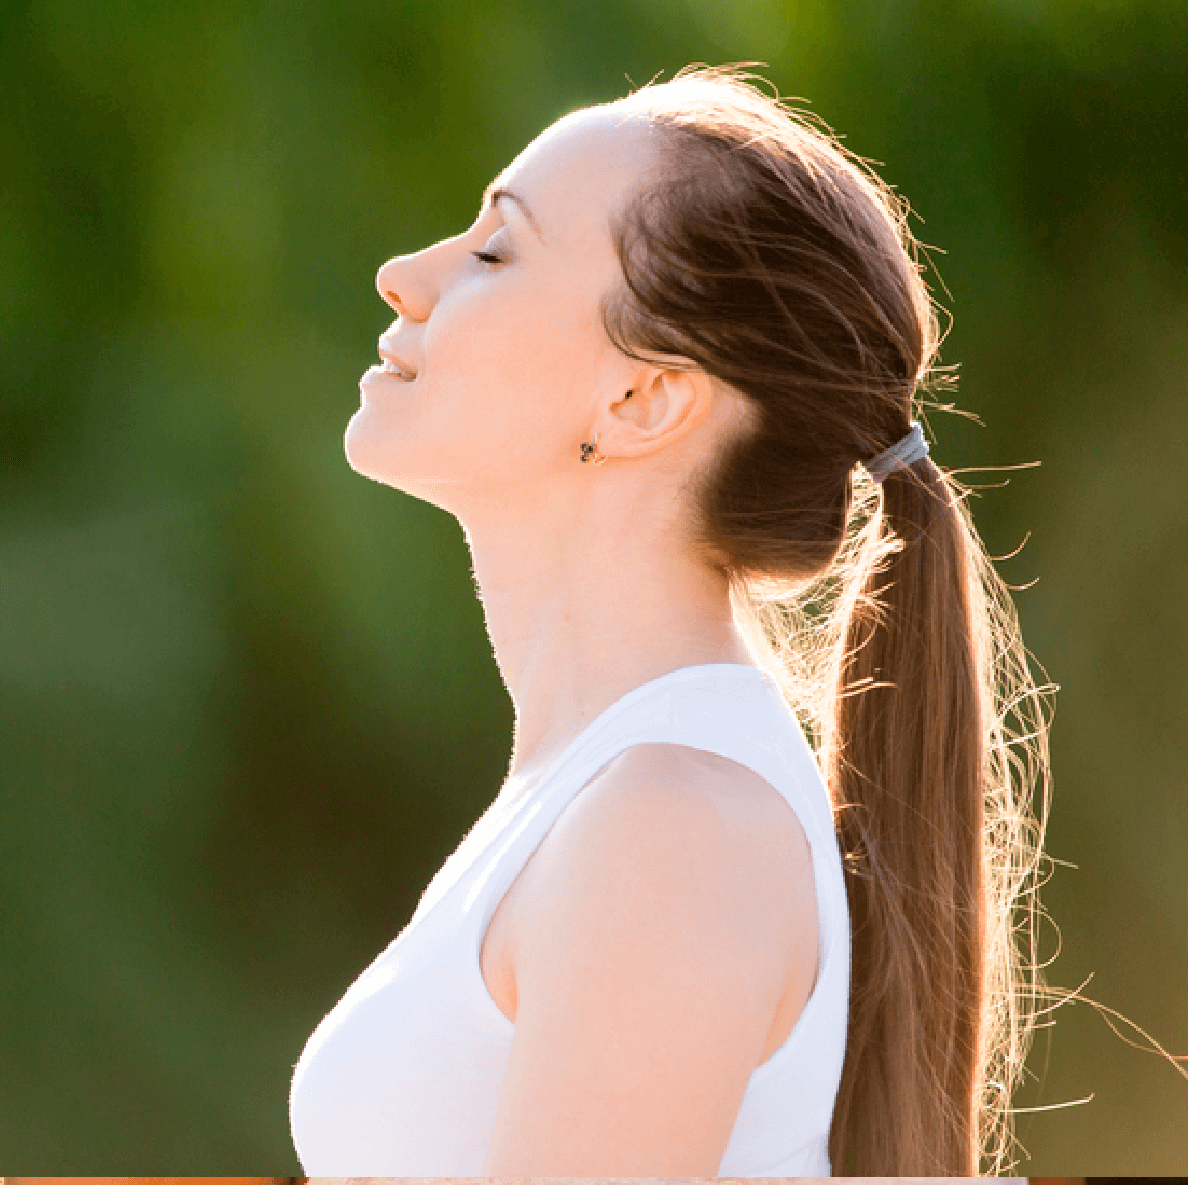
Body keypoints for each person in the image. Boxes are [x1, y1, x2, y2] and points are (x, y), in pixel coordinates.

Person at [287, 66, 1049, 1176]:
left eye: (495, 250)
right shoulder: (608, 794)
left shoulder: (671, 825)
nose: (405, 277)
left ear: (643, 399)